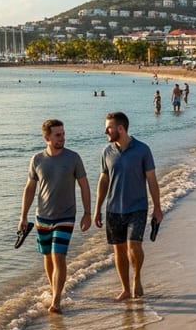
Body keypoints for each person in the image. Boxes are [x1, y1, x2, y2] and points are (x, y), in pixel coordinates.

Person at [19, 119, 92, 314]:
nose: (62, 138)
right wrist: (23, 216)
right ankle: (54, 289)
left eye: (63, 134)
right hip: (42, 216)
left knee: (59, 256)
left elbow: (84, 185)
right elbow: (30, 188)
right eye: (58, 135)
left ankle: (57, 300)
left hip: (66, 216)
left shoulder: (73, 158)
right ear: (47, 137)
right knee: (47, 257)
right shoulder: (37, 159)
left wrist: (87, 213)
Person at [95, 112, 162, 301]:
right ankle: (125, 288)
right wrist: (97, 207)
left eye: (109, 127)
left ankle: (137, 278)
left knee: (134, 246)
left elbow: (152, 180)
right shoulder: (107, 152)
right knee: (119, 250)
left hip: (137, 207)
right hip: (113, 209)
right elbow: (104, 180)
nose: (105, 130)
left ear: (121, 128)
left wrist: (157, 208)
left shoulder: (142, 150)